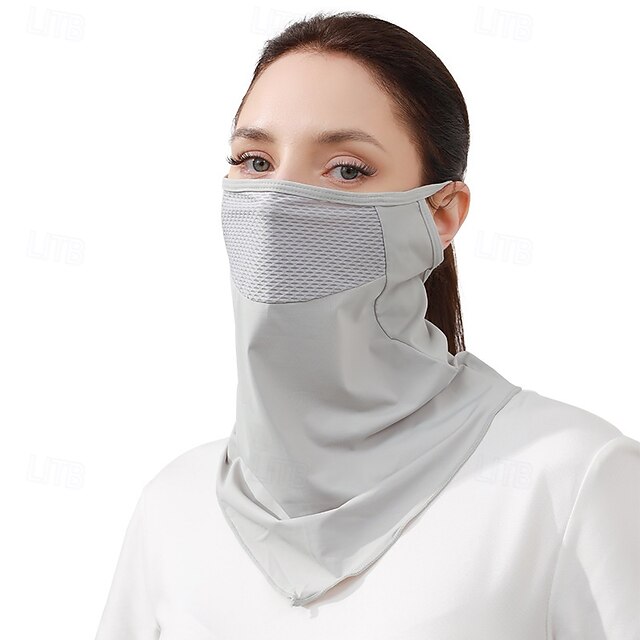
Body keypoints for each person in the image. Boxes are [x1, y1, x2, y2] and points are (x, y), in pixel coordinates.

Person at [94, 11, 640, 639]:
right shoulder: (174, 507)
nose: (277, 206)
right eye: (255, 161)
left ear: (441, 213)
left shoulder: (573, 478)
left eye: (347, 169)